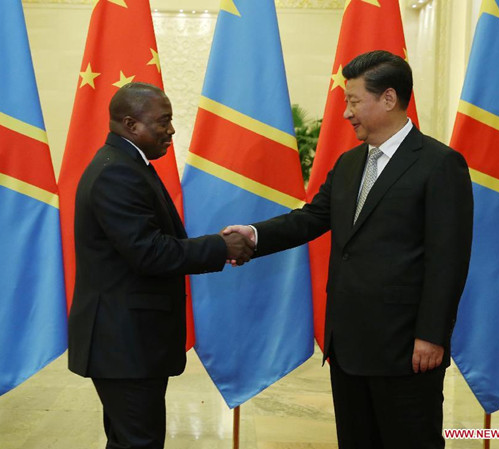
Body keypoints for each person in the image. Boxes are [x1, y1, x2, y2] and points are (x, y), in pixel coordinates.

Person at [224, 50, 473, 449]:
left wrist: (431, 335)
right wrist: (253, 235)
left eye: (353, 101)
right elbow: (310, 219)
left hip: (405, 348)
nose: (345, 113)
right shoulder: (349, 163)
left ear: (388, 98)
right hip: (349, 347)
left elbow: (449, 259)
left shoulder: (439, 165)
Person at [68, 82, 254, 449]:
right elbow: (149, 253)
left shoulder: (128, 164)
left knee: (128, 440)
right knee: (140, 442)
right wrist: (220, 247)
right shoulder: (116, 172)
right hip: (123, 343)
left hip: (128, 342)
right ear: (130, 124)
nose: (171, 129)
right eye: (163, 122)